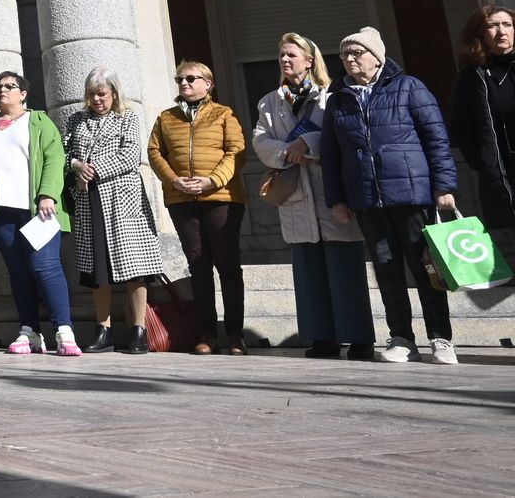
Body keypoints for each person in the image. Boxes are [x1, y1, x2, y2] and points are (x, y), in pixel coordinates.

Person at [323, 26, 459, 364]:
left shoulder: (409, 87)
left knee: (426, 266)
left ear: (376, 57)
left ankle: (441, 338)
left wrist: (444, 186)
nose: (349, 59)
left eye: (356, 53)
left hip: (413, 194)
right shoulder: (338, 97)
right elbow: (331, 153)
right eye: (344, 55)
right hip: (367, 198)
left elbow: (436, 138)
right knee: (386, 268)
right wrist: (337, 199)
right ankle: (401, 338)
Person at [251, 33, 374, 361]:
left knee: (344, 266)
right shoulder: (269, 102)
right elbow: (261, 142)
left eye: (292, 55)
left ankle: (358, 337)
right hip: (295, 195)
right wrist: (288, 152)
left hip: (330, 190)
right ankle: (323, 338)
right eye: (281, 56)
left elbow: (343, 133)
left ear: (310, 60)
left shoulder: (331, 95)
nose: (285, 61)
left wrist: (309, 145)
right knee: (308, 273)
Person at [0, 71, 77, 356]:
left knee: (46, 268)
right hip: (0, 213)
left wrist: (47, 194)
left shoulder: (40, 122)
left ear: (23, 93)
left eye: (9, 86)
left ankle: (64, 331)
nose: (3, 90)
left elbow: (56, 160)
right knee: (18, 272)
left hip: (37, 210)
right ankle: (29, 331)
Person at [148, 60, 248, 355]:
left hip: (221, 199)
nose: (184, 83)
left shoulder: (223, 114)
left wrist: (212, 181)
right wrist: (174, 181)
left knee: (228, 266)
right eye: (180, 79)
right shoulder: (166, 118)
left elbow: (237, 151)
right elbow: (155, 152)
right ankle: (207, 333)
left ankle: (234, 335)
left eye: (191, 78)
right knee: (199, 265)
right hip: (182, 201)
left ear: (208, 83)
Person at [65, 68, 162, 354]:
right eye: (92, 94)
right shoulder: (76, 119)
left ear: (114, 93)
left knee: (135, 267)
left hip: (123, 200)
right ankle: (103, 330)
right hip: (89, 200)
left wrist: (93, 171)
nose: (97, 99)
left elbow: (131, 156)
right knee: (98, 270)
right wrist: (75, 167)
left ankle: (139, 330)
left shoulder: (128, 117)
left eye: (102, 94)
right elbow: (66, 152)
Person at [448, 5, 515, 253]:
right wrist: (484, 161)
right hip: (502, 171)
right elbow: (460, 126)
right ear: (479, 34)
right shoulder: (472, 76)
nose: (501, 32)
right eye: (492, 26)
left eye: (507, 25)